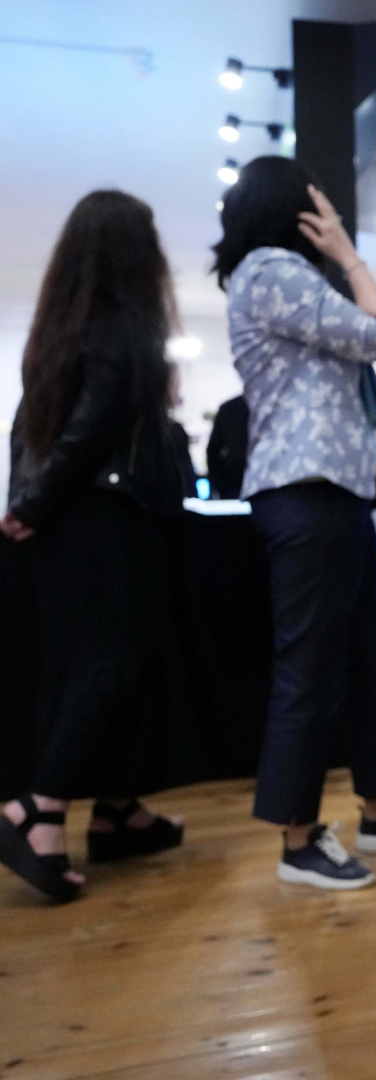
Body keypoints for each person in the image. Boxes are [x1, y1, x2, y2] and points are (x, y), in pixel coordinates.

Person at [215, 156, 376, 891]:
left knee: (372, 654)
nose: (330, 216)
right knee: (311, 667)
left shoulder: (276, 277)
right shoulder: (271, 269)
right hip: (305, 491)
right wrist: (348, 255)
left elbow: (332, 371)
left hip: (331, 489)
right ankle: (298, 840)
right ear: (296, 212)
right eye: (318, 205)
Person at [0, 190, 196, 902]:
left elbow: (41, 428)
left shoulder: (59, 330)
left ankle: (118, 810)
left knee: (95, 664)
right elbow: (93, 426)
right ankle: (39, 811)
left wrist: (28, 503)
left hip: (69, 524)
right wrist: (35, 502)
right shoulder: (124, 329)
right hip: (109, 518)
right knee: (113, 666)